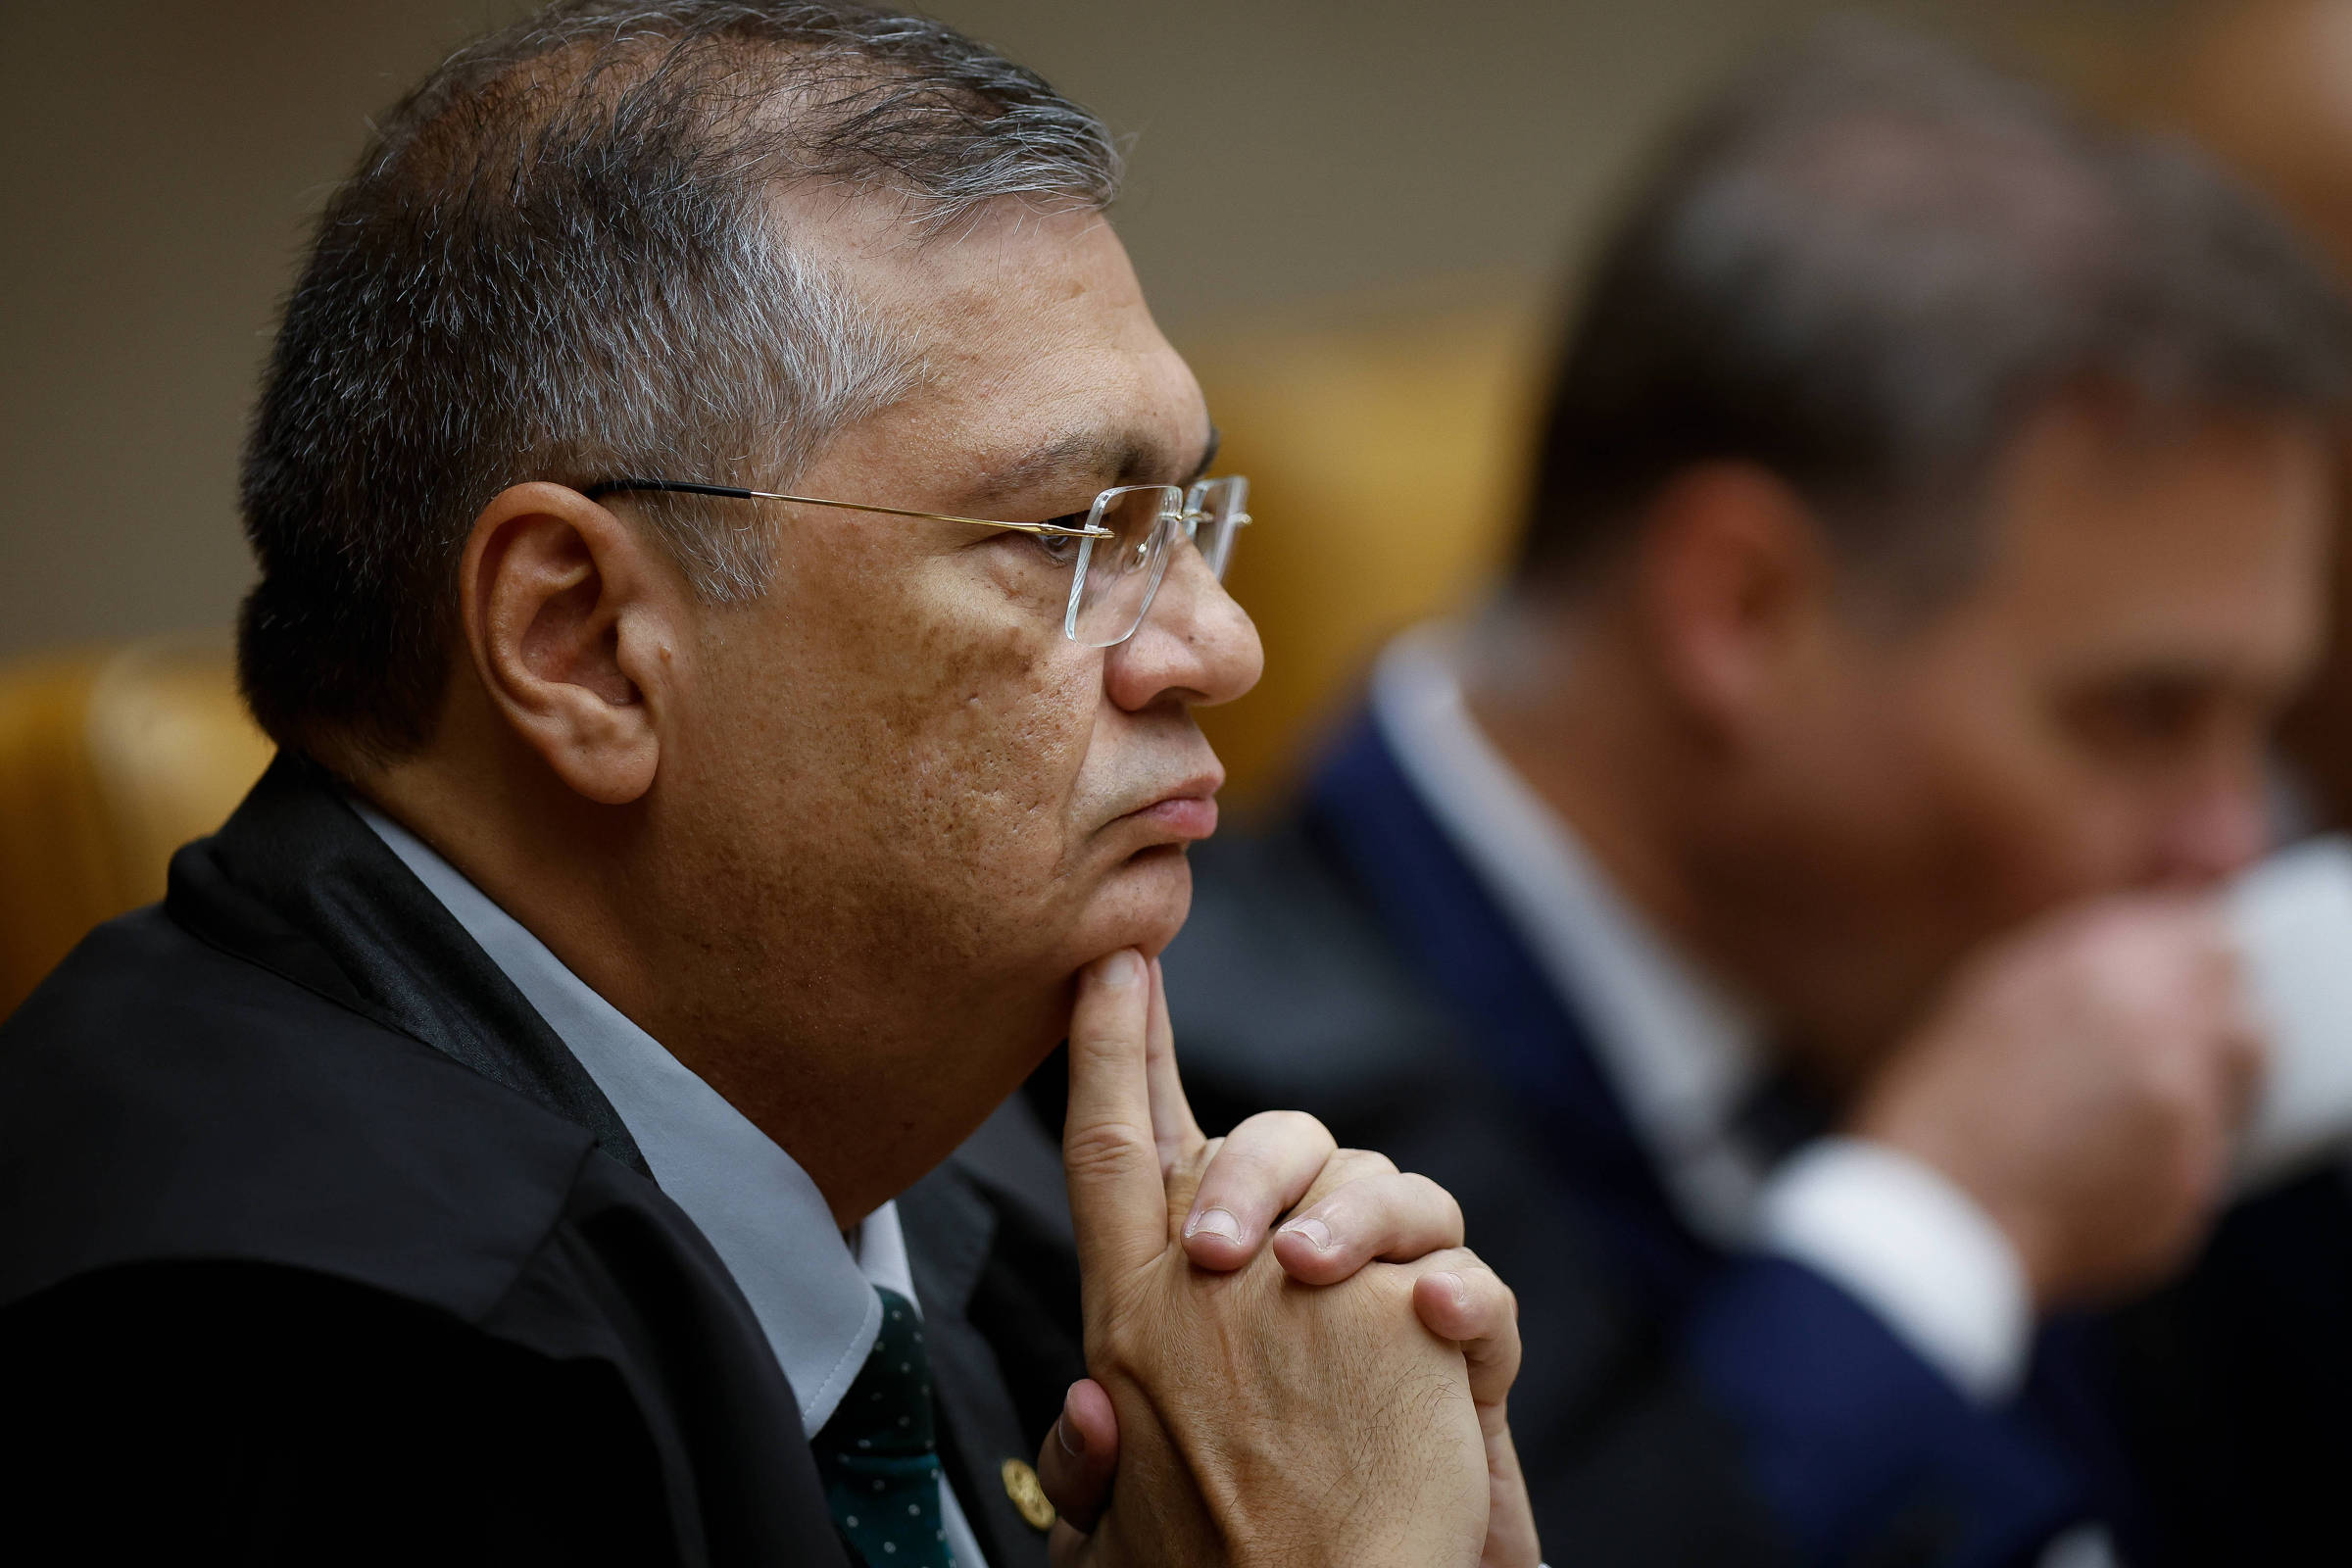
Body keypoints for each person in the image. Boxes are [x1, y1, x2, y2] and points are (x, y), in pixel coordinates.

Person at [0, 5, 1539, 1566]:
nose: (1222, 646)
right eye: (1070, 533)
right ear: (587, 645)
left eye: (1185, 522)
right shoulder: (311, 1372)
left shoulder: (941, 1141)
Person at [1166, 24, 2352, 1568]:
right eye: (2142, 716)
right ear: (1742, 611)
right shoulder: (1202, 1118)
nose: (2234, 838)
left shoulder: (1983, 974)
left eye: (2262, 723)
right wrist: (1944, 1230)